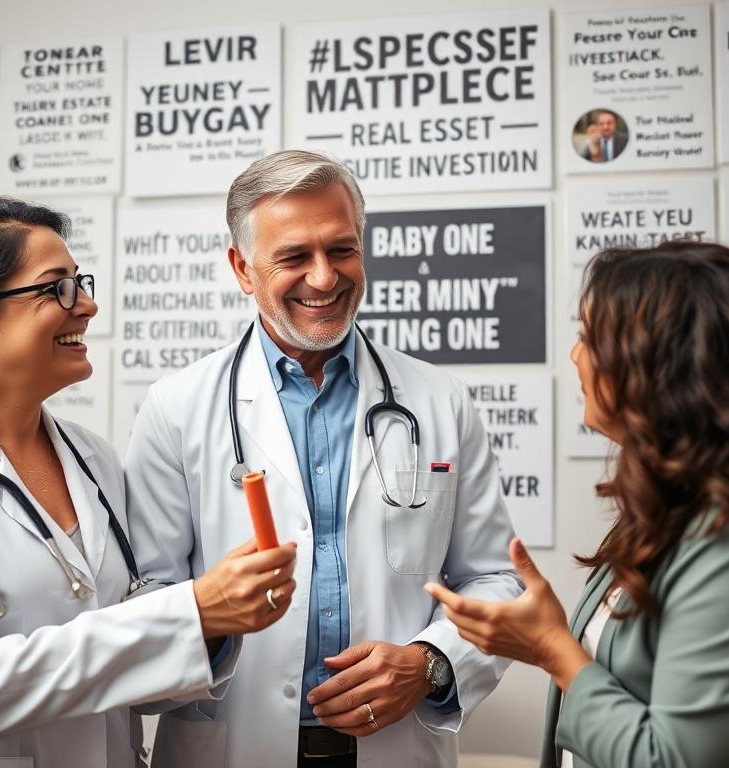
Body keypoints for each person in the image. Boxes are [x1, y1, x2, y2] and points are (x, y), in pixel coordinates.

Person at [0, 181, 298, 768]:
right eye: (57, 288)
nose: (87, 304)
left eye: (80, 282)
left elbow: (133, 672)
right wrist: (188, 614)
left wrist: (211, 627)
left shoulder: (93, 460)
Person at [124, 150, 522, 768]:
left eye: (342, 250)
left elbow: (496, 578)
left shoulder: (439, 399)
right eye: (293, 257)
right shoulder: (175, 409)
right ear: (242, 268)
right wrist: (217, 615)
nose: (324, 277)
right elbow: (147, 597)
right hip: (233, 744)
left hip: (393, 748)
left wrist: (432, 663)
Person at [427, 241, 729, 767]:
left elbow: (672, 759)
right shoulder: (683, 510)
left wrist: (552, 648)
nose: (575, 356)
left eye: (589, 337)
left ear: (661, 365)